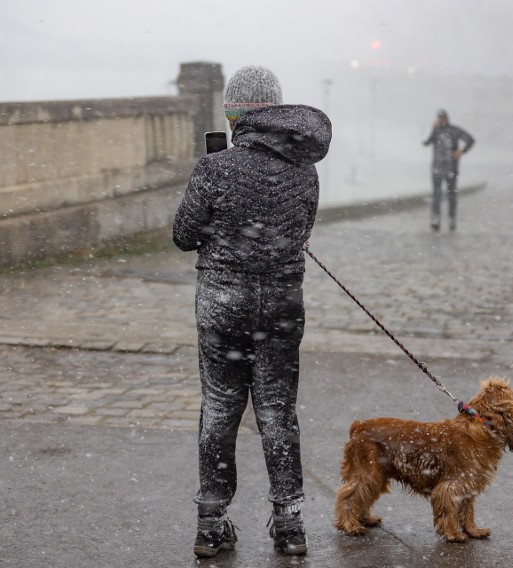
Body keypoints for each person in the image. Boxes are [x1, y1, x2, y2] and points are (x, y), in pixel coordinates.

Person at [172, 65, 331, 558]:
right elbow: (300, 232)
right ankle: (289, 522)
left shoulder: (214, 169)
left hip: (223, 303)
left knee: (221, 408)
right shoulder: (305, 170)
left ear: (235, 114)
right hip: (281, 307)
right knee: (278, 411)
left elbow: (182, 235)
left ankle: (211, 523)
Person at [422, 109, 475, 232]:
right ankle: (435, 220)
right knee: (436, 195)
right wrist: (431, 128)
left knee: (451, 196)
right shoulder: (435, 132)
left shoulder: (454, 131)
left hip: (451, 169)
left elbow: (470, 140)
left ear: (446, 118)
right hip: (436, 169)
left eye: (442, 118)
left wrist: (461, 151)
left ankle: (451, 219)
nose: (440, 120)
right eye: (438, 118)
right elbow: (425, 142)